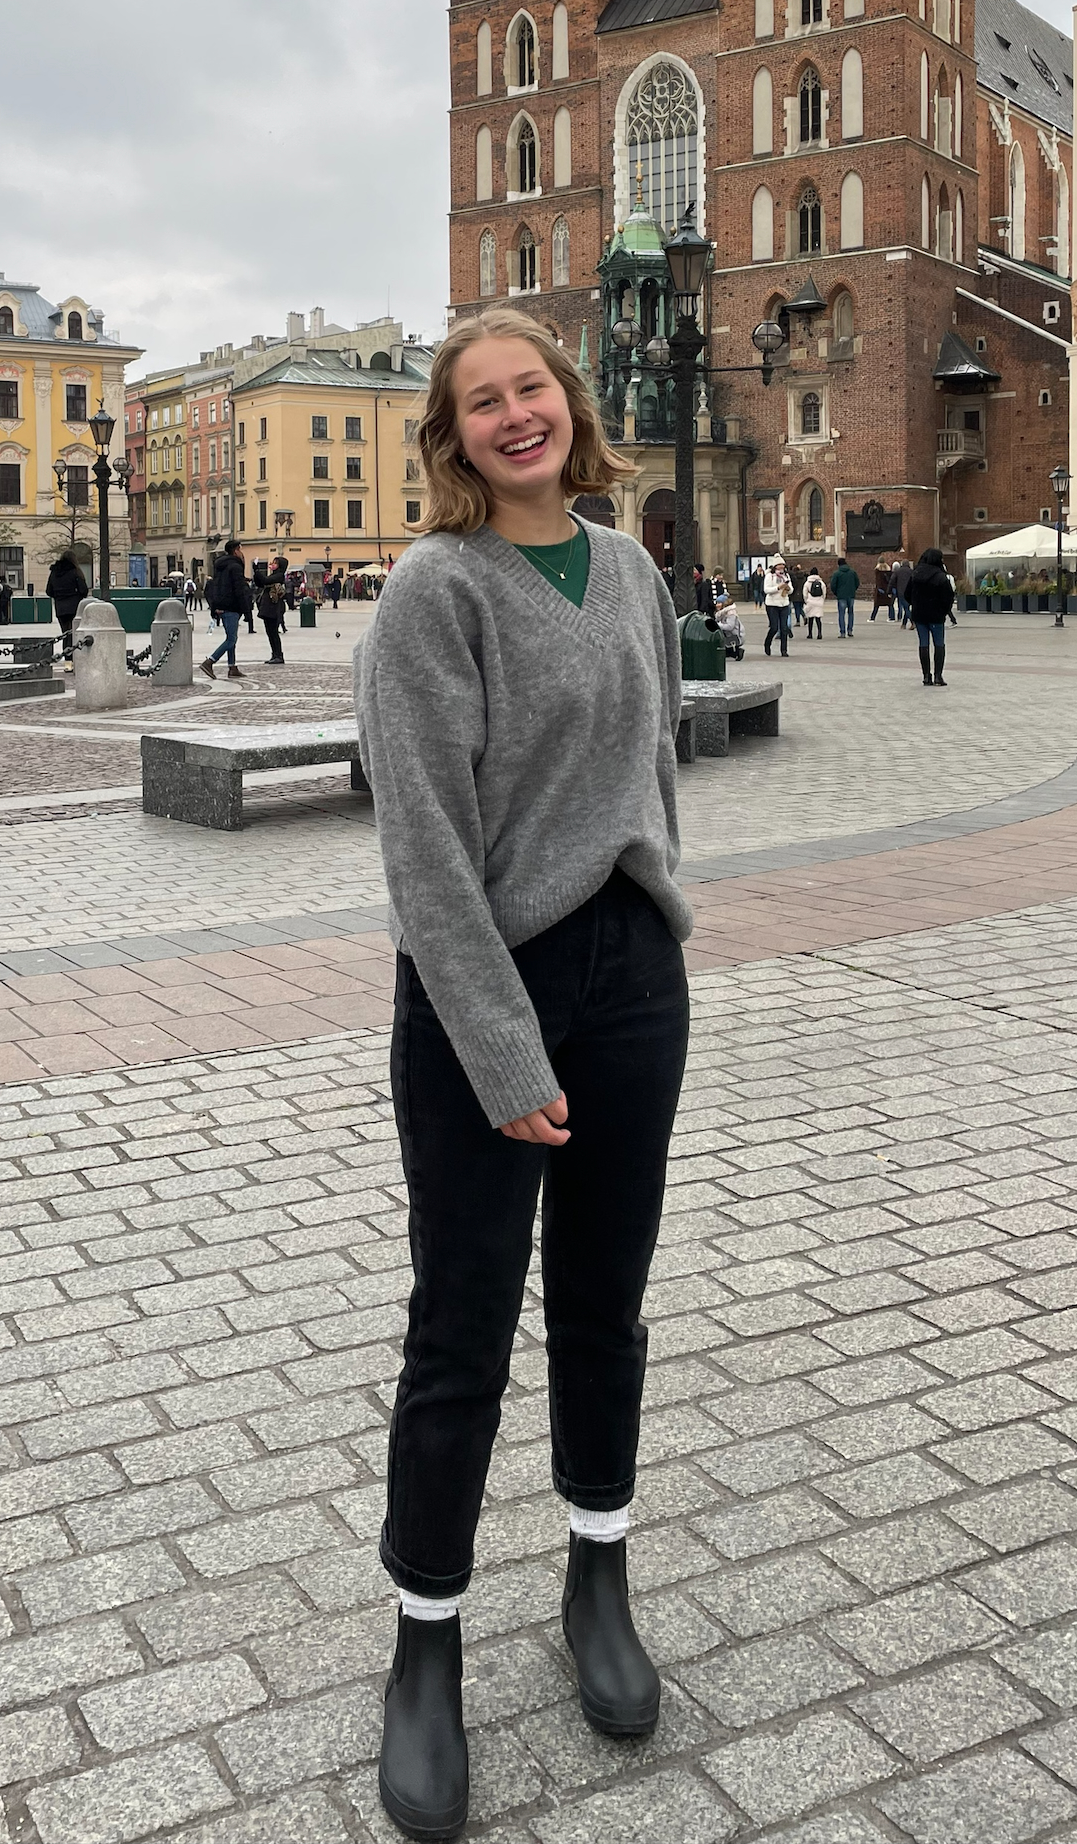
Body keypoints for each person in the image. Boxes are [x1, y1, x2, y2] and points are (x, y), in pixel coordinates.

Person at [354, 309, 691, 1841]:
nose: (513, 416)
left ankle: (597, 1571)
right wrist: (501, 1049)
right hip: (485, 990)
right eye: (481, 402)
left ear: (571, 404)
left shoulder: (629, 570)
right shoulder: (434, 591)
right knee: (463, 1327)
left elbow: (653, 770)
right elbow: (422, 846)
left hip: (632, 978)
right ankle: (425, 1641)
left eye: (531, 389)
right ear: (452, 434)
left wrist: (662, 929)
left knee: (604, 1305)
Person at [200, 539, 251, 680]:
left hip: (221, 604)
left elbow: (218, 585)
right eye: (240, 549)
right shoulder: (235, 567)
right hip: (231, 605)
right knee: (231, 639)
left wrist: (214, 606)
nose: (242, 553)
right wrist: (247, 610)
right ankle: (209, 661)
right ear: (235, 551)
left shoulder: (221, 565)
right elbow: (238, 589)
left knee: (231, 637)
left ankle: (232, 667)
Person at [906, 546, 957, 686]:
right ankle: (938, 676)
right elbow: (948, 597)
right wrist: (944, 611)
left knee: (923, 644)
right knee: (939, 644)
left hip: (920, 615)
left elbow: (907, 594)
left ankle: (926, 676)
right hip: (936, 616)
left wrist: (916, 604)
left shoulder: (915, 574)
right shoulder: (941, 576)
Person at [46, 553, 88, 661]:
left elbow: (49, 591)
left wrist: (59, 596)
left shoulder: (54, 573)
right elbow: (84, 590)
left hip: (60, 608)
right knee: (74, 634)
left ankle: (68, 661)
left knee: (65, 634)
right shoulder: (75, 572)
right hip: (74, 607)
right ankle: (76, 660)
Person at [762, 553, 793, 656]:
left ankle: (784, 650)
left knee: (784, 628)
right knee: (774, 627)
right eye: (779, 565)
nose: (781, 567)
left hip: (784, 603)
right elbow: (766, 590)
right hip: (772, 604)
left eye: (782, 565)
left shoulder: (786, 576)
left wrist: (788, 589)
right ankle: (767, 643)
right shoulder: (769, 576)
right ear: (775, 566)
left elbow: (791, 589)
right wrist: (778, 588)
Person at [258, 562, 288, 664]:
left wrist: (258, 571)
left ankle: (278, 655)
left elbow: (265, 581)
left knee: (273, 632)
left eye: (275, 563)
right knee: (269, 632)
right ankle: (274, 654)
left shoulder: (279, 576)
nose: (272, 564)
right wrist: (256, 571)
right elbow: (260, 582)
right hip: (268, 607)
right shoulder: (273, 575)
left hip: (274, 607)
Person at [831, 555, 860, 640]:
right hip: (851, 595)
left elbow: (833, 585)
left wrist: (836, 593)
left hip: (841, 596)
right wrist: (853, 590)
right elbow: (857, 582)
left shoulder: (837, 573)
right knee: (850, 613)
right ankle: (850, 630)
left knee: (841, 614)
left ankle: (842, 632)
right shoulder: (852, 572)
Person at [802, 566, 826, 640]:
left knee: (810, 619)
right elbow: (824, 593)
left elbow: (804, 593)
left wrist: (806, 601)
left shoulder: (807, 582)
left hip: (810, 601)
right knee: (818, 619)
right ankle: (819, 633)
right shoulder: (821, 582)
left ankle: (810, 634)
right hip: (819, 601)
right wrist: (822, 600)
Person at [890, 555, 914, 626]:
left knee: (906, 608)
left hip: (901, 592)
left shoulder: (897, 572)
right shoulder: (911, 571)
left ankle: (913, 622)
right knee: (907, 607)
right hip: (910, 592)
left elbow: (892, 581)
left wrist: (889, 591)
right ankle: (904, 624)